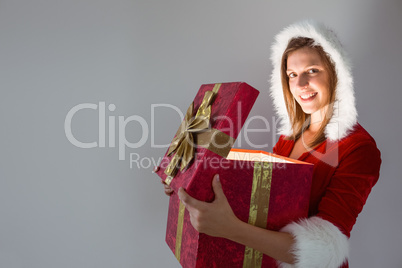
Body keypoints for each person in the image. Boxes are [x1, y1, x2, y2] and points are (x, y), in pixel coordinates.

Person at [158, 20, 381, 268]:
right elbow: (263, 198)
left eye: (312, 70)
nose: (300, 84)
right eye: (292, 75)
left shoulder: (360, 149)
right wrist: (192, 180)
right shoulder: (290, 136)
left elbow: (325, 250)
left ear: (337, 73)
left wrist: (230, 228)